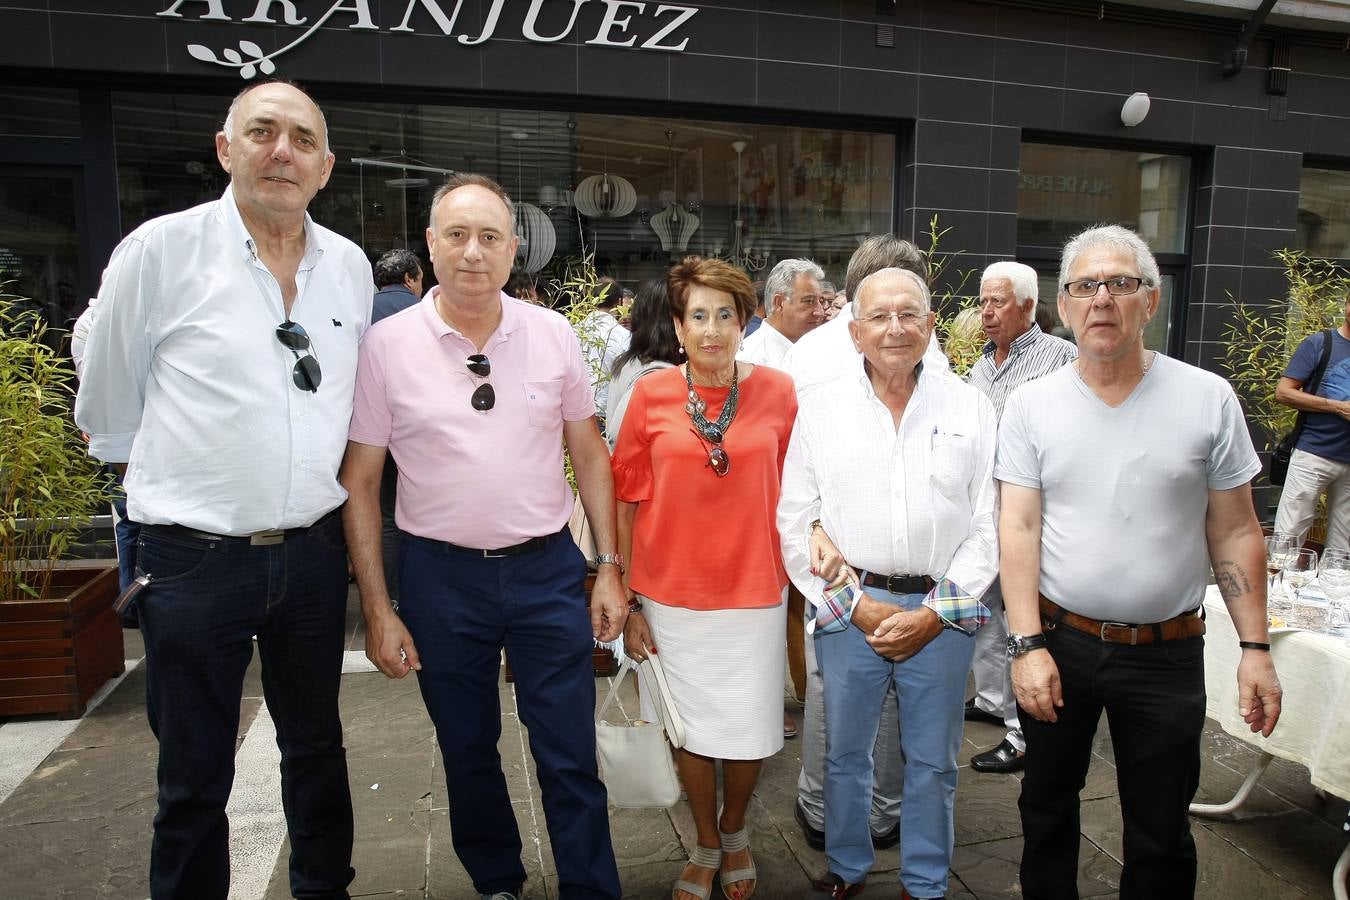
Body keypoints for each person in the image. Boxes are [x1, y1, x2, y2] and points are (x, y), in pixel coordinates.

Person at [74, 80, 366, 898]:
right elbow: (108, 400)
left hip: (311, 556)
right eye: (263, 132)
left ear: (326, 166)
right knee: (194, 773)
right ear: (224, 148)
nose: (283, 151)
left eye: (303, 140)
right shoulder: (160, 251)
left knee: (318, 751)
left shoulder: (344, 266)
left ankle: (323, 889)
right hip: (192, 562)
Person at [340, 173, 624, 900]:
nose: (474, 252)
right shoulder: (386, 346)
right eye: (457, 235)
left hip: (545, 571)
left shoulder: (552, 334)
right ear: (431, 246)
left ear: (514, 250)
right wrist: (379, 606)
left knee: (568, 752)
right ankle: (497, 880)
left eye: (490, 237)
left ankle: (591, 888)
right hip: (440, 580)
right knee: (466, 750)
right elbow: (362, 483)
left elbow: (589, 453)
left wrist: (609, 566)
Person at [997, 224, 1282, 899]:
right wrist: (1026, 644)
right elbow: (1018, 525)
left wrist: (1256, 646)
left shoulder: (1206, 398)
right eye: (1084, 286)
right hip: (1060, 645)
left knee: (1161, 830)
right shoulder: (1032, 405)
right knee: (1044, 812)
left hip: (1167, 653)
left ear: (1150, 302)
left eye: (1120, 283)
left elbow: (1237, 529)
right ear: (1062, 307)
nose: (1102, 298)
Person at [780, 267, 997, 900]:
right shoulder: (821, 409)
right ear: (853, 332)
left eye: (909, 314)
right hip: (852, 607)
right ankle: (847, 868)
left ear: (931, 324)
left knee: (933, 763)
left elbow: (990, 520)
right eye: (878, 316)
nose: (895, 327)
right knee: (845, 755)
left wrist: (934, 614)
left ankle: (926, 883)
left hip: (945, 612)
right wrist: (861, 607)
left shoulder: (971, 408)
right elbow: (794, 518)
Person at [613, 256, 797, 900]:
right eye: (699, 315)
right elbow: (626, 497)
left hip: (755, 591)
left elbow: (805, 488)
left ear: (745, 321)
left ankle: (736, 828)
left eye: (726, 315)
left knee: (747, 726)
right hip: (670, 596)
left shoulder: (779, 391)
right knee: (688, 727)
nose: (712, 329)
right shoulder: (650, 394)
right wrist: (627, 595)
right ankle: (704, 841)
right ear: (678, 324)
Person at [963, 261, 1077, 775]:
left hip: (1030, 515)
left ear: (1029, 306)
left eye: (998, 302)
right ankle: (990, 701)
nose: (985, 313)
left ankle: (1021, 733)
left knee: (1020, 622)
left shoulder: (1062, 359)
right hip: (984, 512)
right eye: (983, 301)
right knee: (983, 616)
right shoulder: (982, 363)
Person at [781, 235, 949, 398]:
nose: (896, 329)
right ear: (856, 334)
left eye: (908, 313)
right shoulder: (910, 341)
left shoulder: (802, 350)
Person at [1272, 292, 1350, 549]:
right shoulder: (1321, 343)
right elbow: (1283, 392)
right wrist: (1335, 407)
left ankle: (1336, 589)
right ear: (1346, 306)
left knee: (1343, 546)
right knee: (1289, 536)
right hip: (1313, 454)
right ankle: (1279, 587)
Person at [603, 278, 682, 450]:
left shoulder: (627, 362)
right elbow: (617, 436)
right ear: (674, 322)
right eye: (696, 316)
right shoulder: (660, 377)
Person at [737, 258, 826, 367]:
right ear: (779, 303)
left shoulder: (815, 348)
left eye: (820, 301)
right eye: (809, 301)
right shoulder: (750, 359)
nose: (820, 312)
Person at [579, 276, 631, 421]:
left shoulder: (574, 331)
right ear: (619, 302)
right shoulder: (624, 336)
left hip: (576, 414)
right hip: (608, 413)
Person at [372, 247, 424, 321]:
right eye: (421, 279)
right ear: (409, 279)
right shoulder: (425, 309)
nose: (422, 288)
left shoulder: (366, 308)